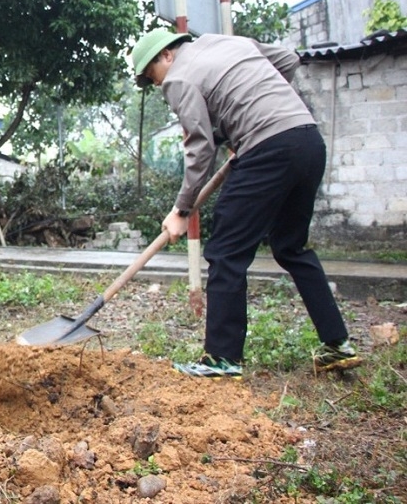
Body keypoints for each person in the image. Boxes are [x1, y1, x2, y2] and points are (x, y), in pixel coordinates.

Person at [129, 28, 361, 378]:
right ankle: (337, 343)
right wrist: (252, 111)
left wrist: (182, 210)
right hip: (307, 141)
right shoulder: (226, 42)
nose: (158, 84)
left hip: (268, 151)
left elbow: (200, 148)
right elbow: (288, 59)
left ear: (167, 55)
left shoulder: (178, 78)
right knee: (291, 247)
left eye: (152, 75)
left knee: (225, 251)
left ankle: (222, 358)